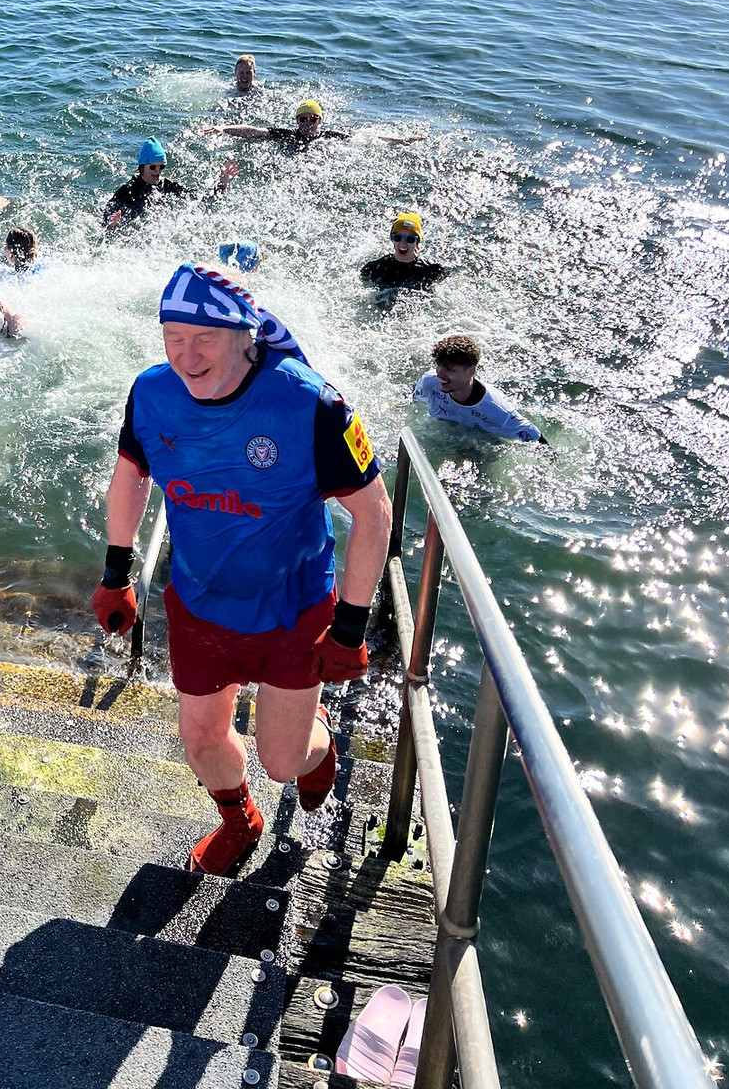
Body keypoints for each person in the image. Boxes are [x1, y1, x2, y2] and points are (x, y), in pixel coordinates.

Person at [93, 264, 393, 875]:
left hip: (293, 609)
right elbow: (131, 472)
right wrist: (117, 571)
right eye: (172, 338)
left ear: (245, 334)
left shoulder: (312, 404)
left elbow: (375, 514)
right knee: (201, 738)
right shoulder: (151, 394)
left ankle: (319, 743)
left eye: (202, 338)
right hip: (200, 604)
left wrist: (351, 627)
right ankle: (238, 818)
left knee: (284, 761)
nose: (186, 355)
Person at [414, 334, 545, 442]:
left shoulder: (497, 410)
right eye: (439, 365)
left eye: (449, 369)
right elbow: (413, 399)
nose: (439, 373)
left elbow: (535, 438)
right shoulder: (429, 382)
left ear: (471, 371)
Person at [103, 138, 238, 229]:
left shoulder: (166, 186)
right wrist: (112, 224)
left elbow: (201, 199)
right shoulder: (127, 191)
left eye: (161, 167)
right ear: (143, 166)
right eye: (153, 167)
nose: (157, 171)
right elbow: (106, 220)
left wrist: (222, 183)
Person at [204, 99, 426, 152]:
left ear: (320, 120)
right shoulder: (286, 135)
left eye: (313, 119)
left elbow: (368, 137)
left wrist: (401, 140)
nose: (308, 123)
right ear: (296, 121)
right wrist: (224, 128)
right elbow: (254, 131)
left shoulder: (330, 136)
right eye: (303, 119)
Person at [360, 211, 449, 291]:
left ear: (417, 243)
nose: (403, 243)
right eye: (398, 238)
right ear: (392, 239)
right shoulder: (374, 269)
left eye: (410, 239)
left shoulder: (432, 272)